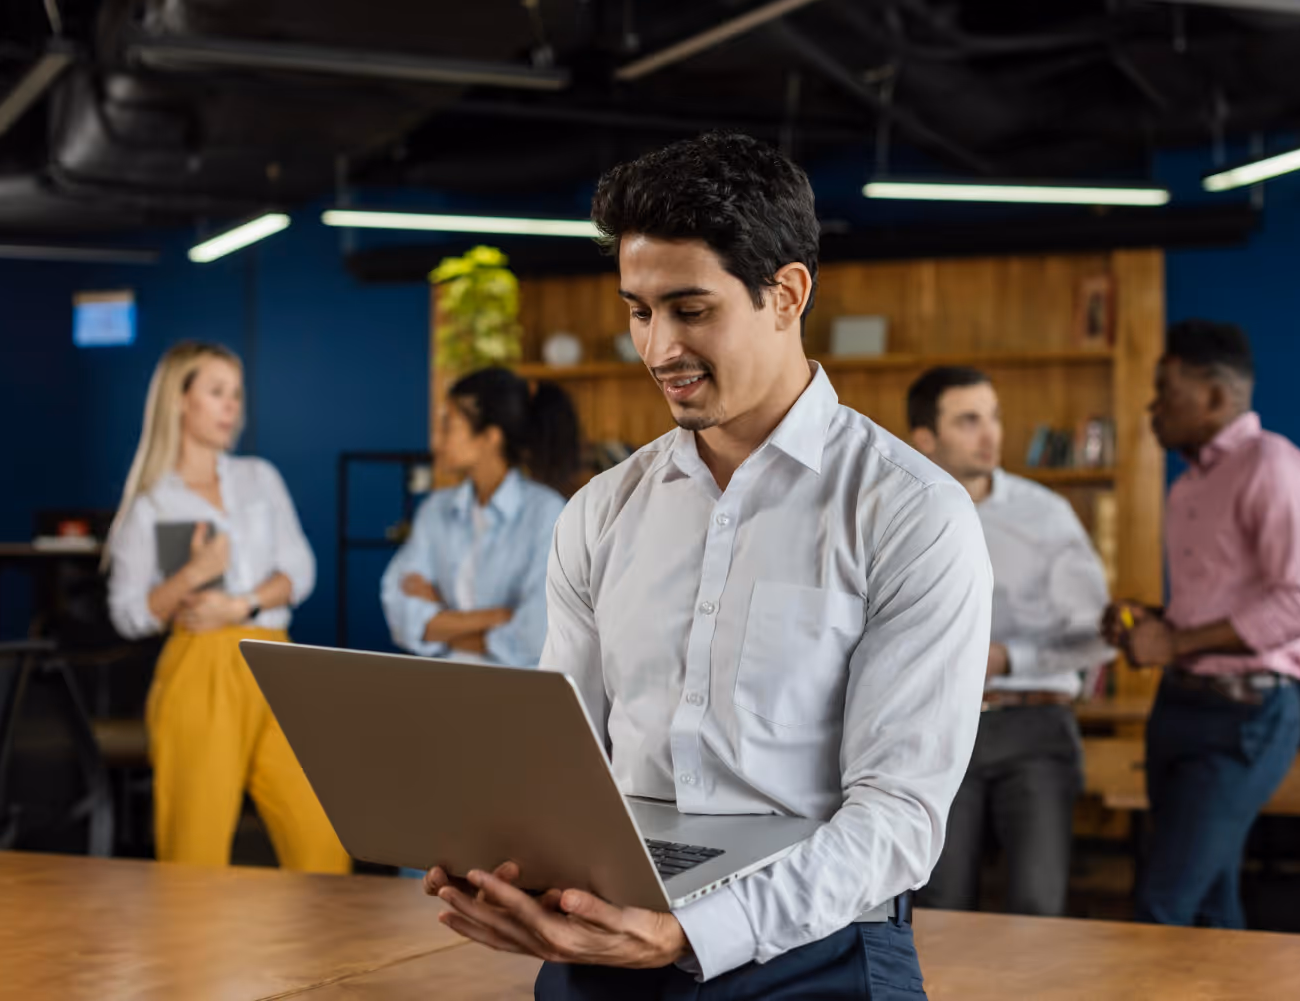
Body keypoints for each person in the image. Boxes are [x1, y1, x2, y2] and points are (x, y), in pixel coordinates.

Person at [421, 133, 992, 998]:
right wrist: (506, 864)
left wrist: (689, 932)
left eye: (690, 310)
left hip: (819, 955)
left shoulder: (913, 515)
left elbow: (899, 818)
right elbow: (561, 759)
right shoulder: (602, 512)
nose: (657, 350)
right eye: (638, 311)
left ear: (786, 294)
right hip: (610, 936)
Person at [1103, 319, 1300, 928]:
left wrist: (1175, 640)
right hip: (1180, 706)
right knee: (1208, 903)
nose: (1152, 408)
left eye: (1164, 391)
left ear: (1213, 396)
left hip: (1246, 718)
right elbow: (1210, 606)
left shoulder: (1275, 467)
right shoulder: (1188, 486)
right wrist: (1149, 622)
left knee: (1161, 904)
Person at [106, 341, 348, 873]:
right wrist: (191, 574)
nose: (231, 406)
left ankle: (328, 959)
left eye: (236, 394)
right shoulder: (151, 504)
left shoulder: (260, 478)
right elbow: (127, 613)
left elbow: (300, 572)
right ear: (179, 400)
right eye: (216, 392)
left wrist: (240, 604)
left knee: (323, 844)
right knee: (194, 853)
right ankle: (191, 957)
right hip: (198, 670)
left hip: (276, 662)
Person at [906, 366, 1112, 917]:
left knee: (1036, 910)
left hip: (1034, 726)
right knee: (939, 907)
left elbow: (1099, 637)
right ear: (925, 439)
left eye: (993, 417)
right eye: (969, 420)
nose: (991, 433)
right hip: (937, 726)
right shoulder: (898, 512)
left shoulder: (1046, 515)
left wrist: (1008, 657)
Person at [381, 367, 578, 666]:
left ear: (490, 437)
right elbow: (398, 607)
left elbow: (535, 636)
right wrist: (497, 616)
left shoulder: (547, 514)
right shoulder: (435, 510)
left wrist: (442, 616)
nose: (435, 441)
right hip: (440, 683)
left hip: (519, 692)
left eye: (448, 426)